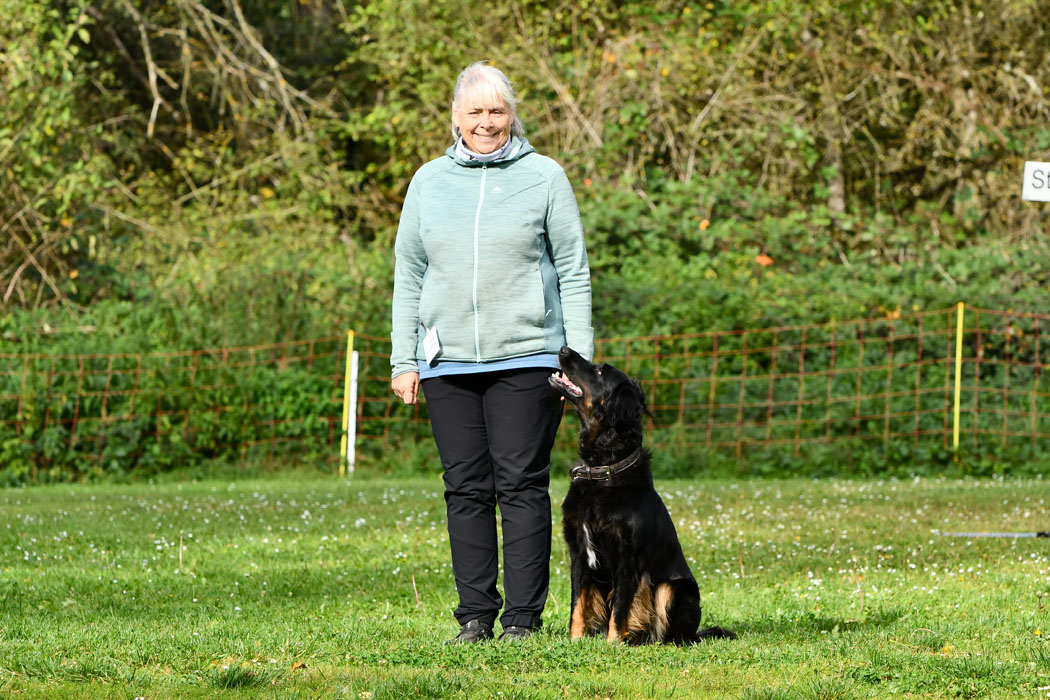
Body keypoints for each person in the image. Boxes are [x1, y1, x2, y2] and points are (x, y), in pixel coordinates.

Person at [390, 62, 593, 644]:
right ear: (455, 118)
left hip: (529, 358)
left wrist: (575, 360)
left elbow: (573, 272)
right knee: (465, 487)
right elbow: (409, 272)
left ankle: (523, 621)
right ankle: (475, 616)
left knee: (522, 486)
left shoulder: (545, 176)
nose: (485, 122)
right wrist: (404, 359)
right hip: (447, 360)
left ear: (512, 116)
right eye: (474, 112)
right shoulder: (428, 182)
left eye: (496, 111)